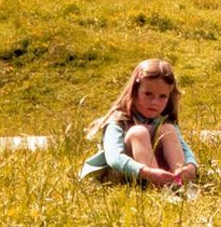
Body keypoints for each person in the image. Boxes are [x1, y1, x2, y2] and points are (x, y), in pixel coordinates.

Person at [80, 58, 198, 187]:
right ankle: (158, 187)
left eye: (162, 96)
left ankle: (178, 182)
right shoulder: (119, 120)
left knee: (168, 129)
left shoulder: (164, 120)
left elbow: (185, 149)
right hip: (128, 173)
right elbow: (114, 158)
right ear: (135, 91)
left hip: (160, 172)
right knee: (139, 132)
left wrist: (191, 166)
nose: (154, 102)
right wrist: (147, 172)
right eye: (148, 94)